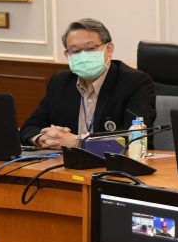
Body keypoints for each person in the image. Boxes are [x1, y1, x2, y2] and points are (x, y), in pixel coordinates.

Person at [20, 19, 155, 148]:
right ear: (67, 55)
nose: (83, 56)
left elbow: (136, 136)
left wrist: (77, 142)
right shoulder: (59, 82)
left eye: (90, 48)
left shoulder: (135, 82)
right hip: (64, 161)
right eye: (75, 51)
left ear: (109, 49)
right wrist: (42, 138)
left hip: (114, 161)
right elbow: (29, 127)